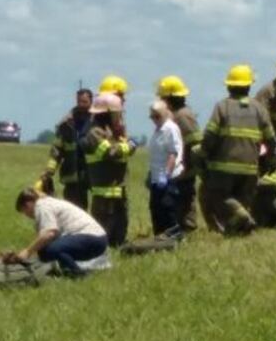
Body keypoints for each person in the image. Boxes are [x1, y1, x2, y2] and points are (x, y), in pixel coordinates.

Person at [199, 64, 276, 235]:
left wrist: (202, 154)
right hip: (250, 169)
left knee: (219, 197)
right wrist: (272, 160)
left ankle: (244, 219)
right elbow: (271, 139)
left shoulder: (222, 107)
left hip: (223, 168)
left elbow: (210, 135)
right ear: (249, 86)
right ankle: (239, 232)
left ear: (229, 85)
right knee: (242, 202)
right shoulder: (259, 108)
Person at [13, 188, 109, 276]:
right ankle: (66, 270)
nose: (27, 215)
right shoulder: (48, 203)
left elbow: (49, 234)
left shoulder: (41, 206)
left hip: (92, 238)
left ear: (28, 204)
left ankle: (77, 273)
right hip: (97, 239)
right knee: (44, 251)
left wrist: (28, 251)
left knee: (51, 250)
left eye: (24, 211)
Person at [83, 91, 135, 247]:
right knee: (104, 229)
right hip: (104, 192)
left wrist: (123, 137)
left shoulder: (111, 131)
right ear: (108, 113)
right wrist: (129, 146)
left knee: (120, 228)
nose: (120, 116)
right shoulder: (95, 132)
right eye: (117, 113)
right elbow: (110, 152)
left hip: (118, 189)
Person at [157, 75, 202, 232]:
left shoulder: (182, 116)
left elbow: (196, 144)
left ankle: (187, 229)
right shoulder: (175, 115)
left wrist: (191, 166)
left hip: (184, 170)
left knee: (185, 201)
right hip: (177, 169)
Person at [41, 89, 93, 209]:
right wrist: (49, 170)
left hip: (94, 174)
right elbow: (57, 150)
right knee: (73, 209)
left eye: (84, 102)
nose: (81, 105)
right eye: (79, 101)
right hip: (72, 174)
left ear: (91, 101)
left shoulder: (97, 121)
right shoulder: (66, 124)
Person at [147, 100, 185, 237]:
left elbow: (173, 153)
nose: (154, 120)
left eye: (157, 116)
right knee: (155, 209)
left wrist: (166, 174)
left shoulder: (170, 128)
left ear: (164, 114)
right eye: (152, 117)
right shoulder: (157, 130)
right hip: (156, 177)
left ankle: (174, 237)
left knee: (167, 208)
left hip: (168, 178)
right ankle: (159, 237)